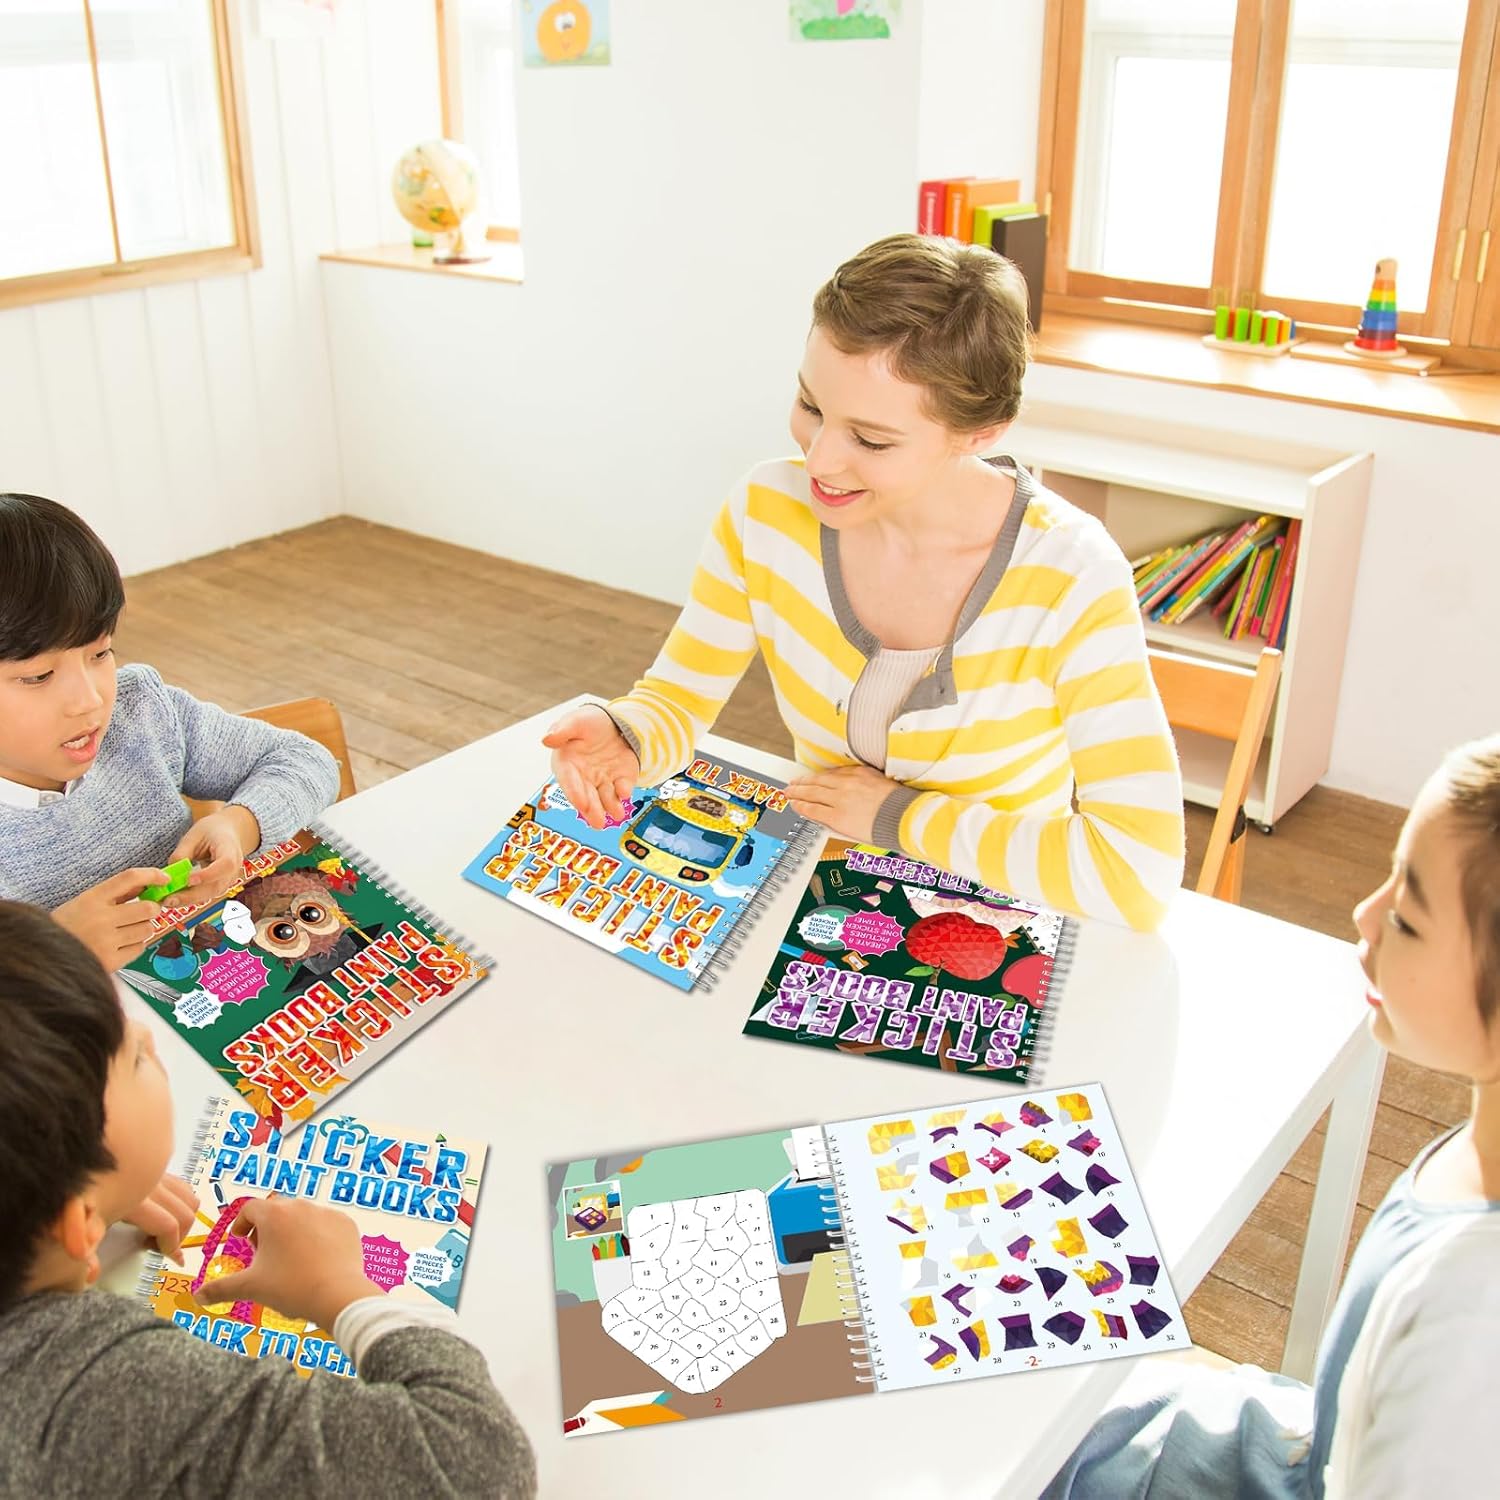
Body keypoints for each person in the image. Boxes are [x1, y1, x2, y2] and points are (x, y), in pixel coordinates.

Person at [544, 235, 1184, 929]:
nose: (819, 461)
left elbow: (1137, 874)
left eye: (872, 440)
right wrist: (628, 735)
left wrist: (897, 817)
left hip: (995, 922)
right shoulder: (765, 511)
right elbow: (677, 698)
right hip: (822, 896)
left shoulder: (1071, 574)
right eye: (811, 405)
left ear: (981, 434)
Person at [1040, 733, 1500, 1498]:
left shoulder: (1469, 1323)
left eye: (1409, 920)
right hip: (1287, 1440)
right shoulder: (1479, 1143)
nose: (1365, 913)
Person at [0, 900, 536, 1498]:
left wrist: (75, 1182)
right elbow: (477, 1468)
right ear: (76, 1223)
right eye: (133, 1059)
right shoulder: (95, 1393)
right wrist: (340, 1291)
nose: (148, 1033)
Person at [0, 492, 341, 970]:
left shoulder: (141, 712)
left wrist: (239, 825)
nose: (90, 700)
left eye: (100, 653)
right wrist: (50, 952)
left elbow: (305, 760)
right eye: (38, 676)